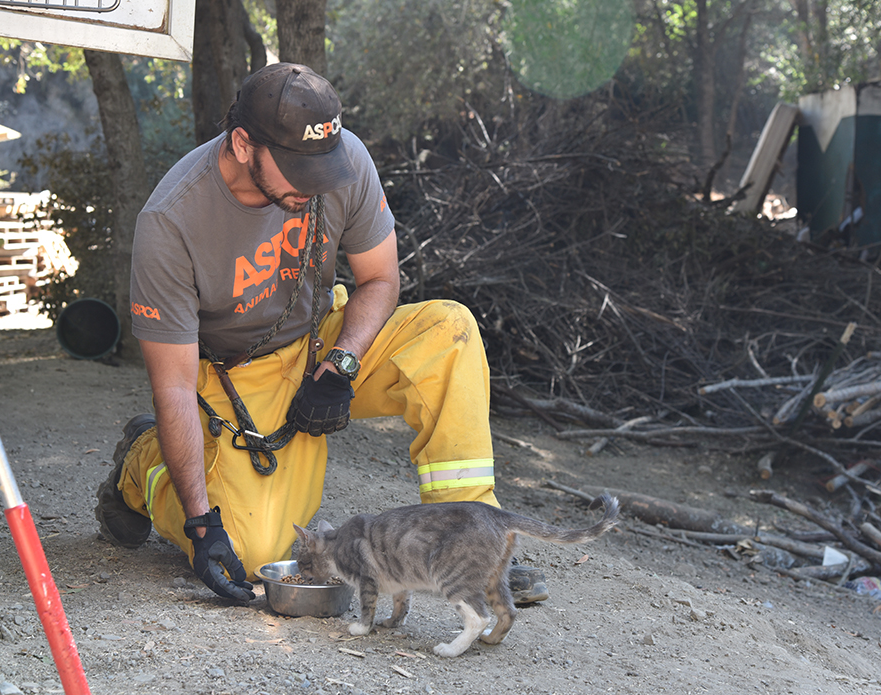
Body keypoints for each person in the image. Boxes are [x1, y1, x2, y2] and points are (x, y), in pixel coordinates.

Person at [94, 62, 548, 606]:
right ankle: (142, 460)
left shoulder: (341, 158)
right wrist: (199, 526)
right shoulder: (170, 222)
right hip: (236, 372)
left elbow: (380, 278)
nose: (317, 186)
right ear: (242, 144)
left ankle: (470, 544)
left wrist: (343, 364)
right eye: (296, 170)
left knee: (450, 329)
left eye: (322, 167)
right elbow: (172, 387)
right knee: (252, 547)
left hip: (320, 338)